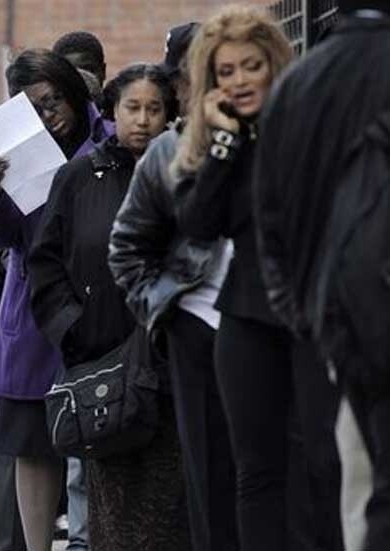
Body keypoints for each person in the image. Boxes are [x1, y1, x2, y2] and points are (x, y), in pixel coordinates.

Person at [172, 6, 342, 551]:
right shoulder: (220, 143)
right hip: (245, 317)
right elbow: (199, 224)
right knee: (256, 470)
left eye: (251, 66)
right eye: (226, 71)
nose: (240, 80)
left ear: (274, 66)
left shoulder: (308, 128)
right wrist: (224, 144)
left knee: (322, 462)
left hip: (312, 313)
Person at [29, 61, 187, 551]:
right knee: (112, 498)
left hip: (173, 358)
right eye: (132, 108)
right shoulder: (79, 176)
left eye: (154, 109)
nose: (142, 120)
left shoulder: (185, 171)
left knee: (173, 496)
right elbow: (45, 262)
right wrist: (72, 329)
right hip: (101, 362)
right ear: (112, 112)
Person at [252, 3, 390, 548]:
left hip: (334, 315)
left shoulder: (296, 85)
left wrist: (307, 313)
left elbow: (270, 223)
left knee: (361, 483)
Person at [0, 48, 109, 551]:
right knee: (31, 443)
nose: (48, 116)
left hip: (98, 304)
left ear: (71, 91)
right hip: (32, 310)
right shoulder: (15, 149)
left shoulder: (108, 139)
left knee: (103, 429)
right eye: (33, 109)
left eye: (53, 101)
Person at [108, 37, 239, 551]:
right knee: (209, 474)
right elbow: (127, 249)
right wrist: (166, 311)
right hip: (196, 325)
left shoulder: (274, 137)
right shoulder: (168, 151)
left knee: (271, 470)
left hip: (264, 322)